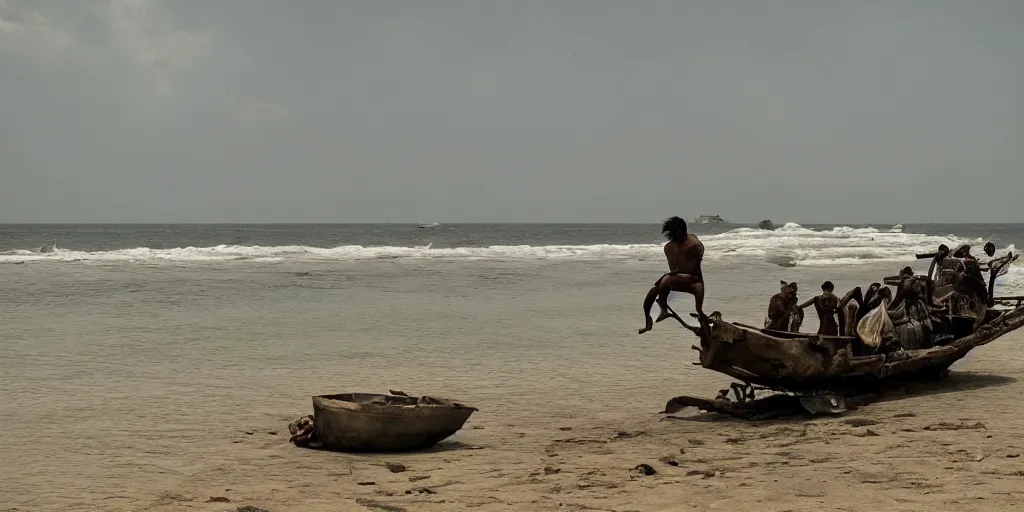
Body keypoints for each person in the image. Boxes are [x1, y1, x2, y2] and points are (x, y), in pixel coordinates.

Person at [638, 216, 706, 334]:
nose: (672, 237)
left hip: (694, 280)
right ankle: (648, 323)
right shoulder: (669, 247)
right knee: (651, 294)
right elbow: (674, 268)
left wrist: (675, 273)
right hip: (675, 278)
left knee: (698, 309)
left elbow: (692, 268)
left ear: (683, 231)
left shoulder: (694, 245)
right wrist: (674, 272)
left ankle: (664, 309)